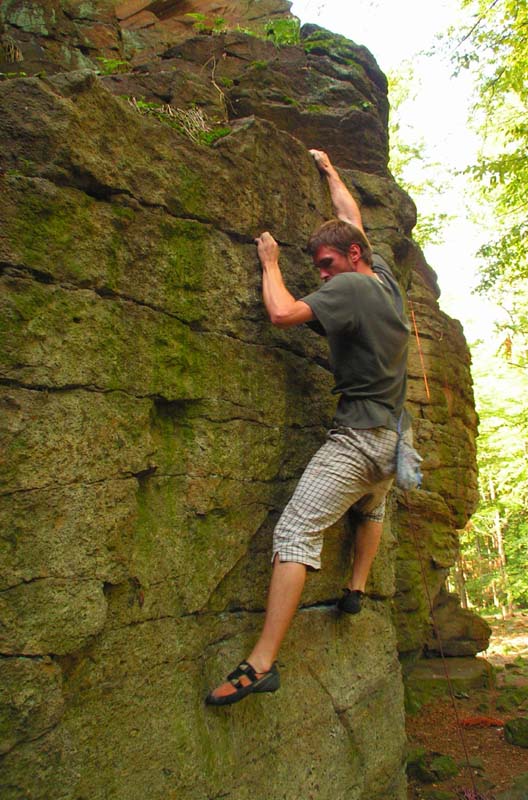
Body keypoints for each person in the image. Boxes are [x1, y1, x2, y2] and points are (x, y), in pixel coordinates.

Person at [205, 149, 409, 706]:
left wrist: (270, 264)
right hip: (395, 443)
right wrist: (330, 173)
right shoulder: (384, 278)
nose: (320, 274)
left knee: (295, 530)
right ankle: (356, 588)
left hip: (359, 440)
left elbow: (282, 314)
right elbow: (354, 218)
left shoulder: (350, 288)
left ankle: (261, 662)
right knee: (370, 506)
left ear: (350, 258)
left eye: (324, 264)